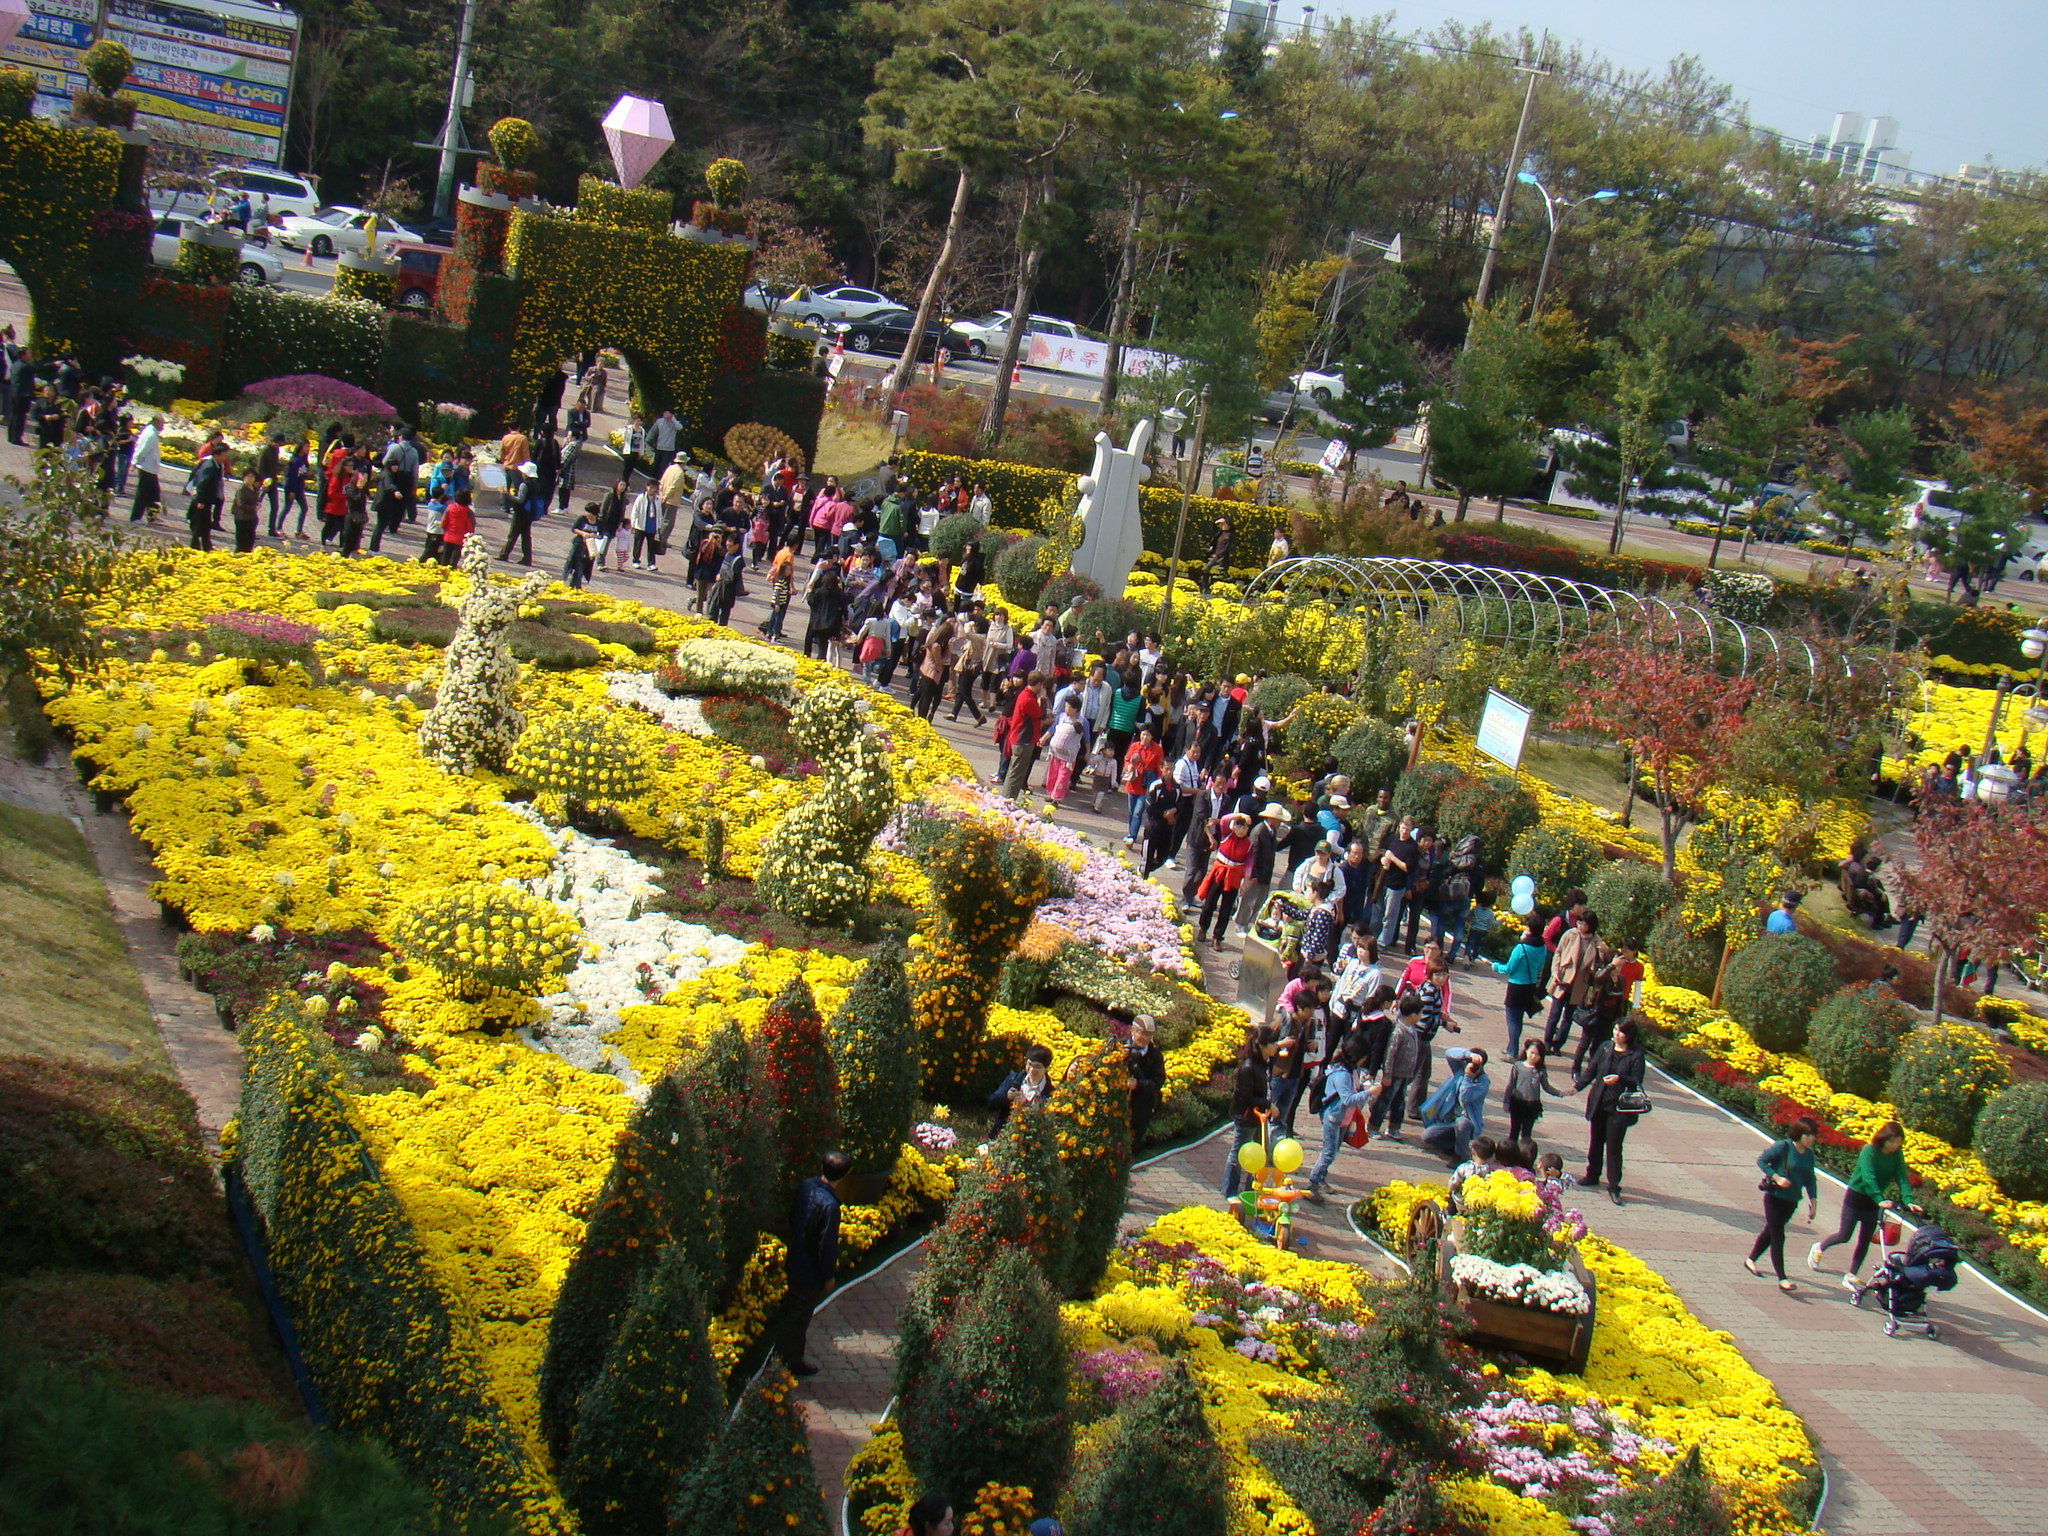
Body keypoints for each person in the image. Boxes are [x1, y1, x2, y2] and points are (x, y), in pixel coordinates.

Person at [1810, 1120, 1919, 1289]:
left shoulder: (1897, 1155)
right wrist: (1879, 1198)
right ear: (1883, 1138)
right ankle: (1819, 1247)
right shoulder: (1870, 1151)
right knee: (1844, 1235)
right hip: (1857, 1196)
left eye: (1899, 1142)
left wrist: (1909, 1201)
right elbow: (1868, 1177)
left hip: (1874, 1202)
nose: (1895, 1146)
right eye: (1892, 1141)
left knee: (1864, 1240)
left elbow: (1902, 1177)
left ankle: (1851, 1275)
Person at [777, 1148, 850, 1377]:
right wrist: (828, 1276)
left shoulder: (807, 1186)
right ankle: (787, 1362)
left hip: (795, 1257)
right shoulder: (830, 1206)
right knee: (798, 1316)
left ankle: (786, 1356)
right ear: (844, 1175)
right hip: (808, 1272)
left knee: (794, 1310)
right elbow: (826, 1245)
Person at [1574, 1016, 1648, 1205]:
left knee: (1614, 1147)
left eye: (1621, 1031)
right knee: (1596, 1141)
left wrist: (1620, 1078)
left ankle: (1614, 1185)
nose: (1616, 1034)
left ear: (1629, 1035)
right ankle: (1592, 1174)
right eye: (1615, 1029)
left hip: (1619, 1107)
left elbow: (1637, 1079)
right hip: (1600, 1101)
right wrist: (1577, 1087)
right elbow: (1592, 1070)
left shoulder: (1636, 1054)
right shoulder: (1606, 1047)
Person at [1746, 1117, 1820, 1292]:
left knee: (1770, 1232)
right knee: (1778, 1235)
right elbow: (1762, 1161)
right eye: (1808, 1135)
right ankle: (1782, 1278)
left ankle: (1751, 1259)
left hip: (1792, 1200)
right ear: (1799, 1135)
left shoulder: (1809, 1155)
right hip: (1775, 1198)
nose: (1812, 1139)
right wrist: (1777, 1177)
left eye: (1813, 1136)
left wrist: (1813, 1201)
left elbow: (1810, 1179)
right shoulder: (1784, 1147)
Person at [1304, 1033, 1374, 1202]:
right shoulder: (1342, 1074)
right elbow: (1348, 1099)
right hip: (1334, 1118)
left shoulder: (1351, 1071)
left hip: (1344, 1118)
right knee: (1328, 1153)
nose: (1364, 1061)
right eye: (1363, 1057)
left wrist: (1364, 1084)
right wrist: (1369, 1093)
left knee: (1334, 1151)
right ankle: (1312, 1184)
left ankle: (1321, 1178)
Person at [1221, 1027, 1271, 1201]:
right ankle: (1230, 1192)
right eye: (1273, 1043)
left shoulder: (1263, 1063)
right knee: (1238, 1153)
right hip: (1247, 1116)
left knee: (1262, 1152)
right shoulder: (1248, 1067)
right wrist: (1267, 1104)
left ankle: (1252, 1190)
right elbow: (1246, 1096)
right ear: (1263, 1046)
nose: (1277, 1046)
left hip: (1259, 1117)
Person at [1368, 992, 1427, 1139]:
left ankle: (1394, 1128)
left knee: (1399, 1103)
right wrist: (1387, 1075)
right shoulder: (1398, 1031)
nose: (1421, 1016)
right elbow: (1390, 1054)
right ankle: (1373, 1127)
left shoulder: (1412, 1028)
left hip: (1405, 1074)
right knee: (1384, 1102)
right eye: (1420, 1013)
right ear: (1413, 1014)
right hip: (1394, 1074)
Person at [1419, 1045, 1490, 1164]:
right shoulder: (1459, 1071)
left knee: (1462, 1123)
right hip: (1449, 1121)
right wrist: (1468, 1054)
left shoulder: (1483, 1082)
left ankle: (1461, 1156)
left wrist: (1468, 1078)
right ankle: (1452, 1146)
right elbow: (1449, 1053)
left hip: (1468, 1122)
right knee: (1427, 1136)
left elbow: (1465, 1098)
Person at [1195, 812, 1252, 947]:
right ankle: (1203, 929)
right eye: (1239, 826)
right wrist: (1241, 814)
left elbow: (1249, 865)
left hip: (1234, 877)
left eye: (1245, 828)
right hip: (1219, 873)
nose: (1242, 830)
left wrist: (1246, 884)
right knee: (1209, 903)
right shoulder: (1226, 834)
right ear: (1234, 826)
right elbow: (1224, 820)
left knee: (1226, 909)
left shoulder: (1249, 845)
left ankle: (1217, 937)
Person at [1492, 923, 1548, 1059]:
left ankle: (1512, 1051)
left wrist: (1495, 966)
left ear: (1529, 931)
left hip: (1516, 987)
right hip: (1530, 987)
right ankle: (1511, 1048)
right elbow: (1540, 967)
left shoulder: (1521, 948)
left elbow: (1509, 969)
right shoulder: (1542, 948)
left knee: (1512, 1020)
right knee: (1519, 1019)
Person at [1502, 1038, 1563, 1142]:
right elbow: (1510, 1085)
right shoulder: (1518, 1066)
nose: (1533, 1056)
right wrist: (1506, 1102)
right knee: (1514, 1130)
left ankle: (1524, 1152)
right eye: (1532, 1052)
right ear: (1526, 1051)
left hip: (1532, 1106)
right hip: (1517, 1103)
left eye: (1537, 1054)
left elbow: (1546, 1087)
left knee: (1526, 1133)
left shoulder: (1540, 1071)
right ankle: (1511, 1152)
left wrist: (1560, 1093)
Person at [987, 1043, 1055, 1129]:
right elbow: (991, 1103)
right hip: (1004, 1133)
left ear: (1046, 1068)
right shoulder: (1013, 1079)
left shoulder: (1051, 1092)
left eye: (1037, 1067)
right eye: (1029, 1064)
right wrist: (1007, 1097)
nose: (1032, 1070)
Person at [1126, 1014, 1167, 1147]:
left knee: (1133, 1143)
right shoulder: (1120, 1047)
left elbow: (1157, 1082)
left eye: (1149, 1035)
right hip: (1118, 1106)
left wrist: (1138, 1085)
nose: (1145, 1038)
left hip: (1141, 1110)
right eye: (1142, 1034)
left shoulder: (1155, 1056)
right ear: (1133, 1031)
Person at [128, 414, 164, 522]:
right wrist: (135, 461)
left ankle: (152, 516)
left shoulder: (151, 432)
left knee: (154, 493)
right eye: (162, 423)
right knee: (143, 493)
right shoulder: (150, 435)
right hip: (146, 468)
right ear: (156, 423)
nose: (163, 426)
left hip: (150, 468)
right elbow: (143, 449)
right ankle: (135, 517)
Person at [229, 467, 262, 553]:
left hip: (251, 518)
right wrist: (253, 507)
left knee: (249, 543)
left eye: (252, 477)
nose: (251, 479)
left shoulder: (253, 488)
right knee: (241, 544)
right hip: (242, 518)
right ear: (244, 477)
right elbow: (241, 504)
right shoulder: (242, 490)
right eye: (249, 476)